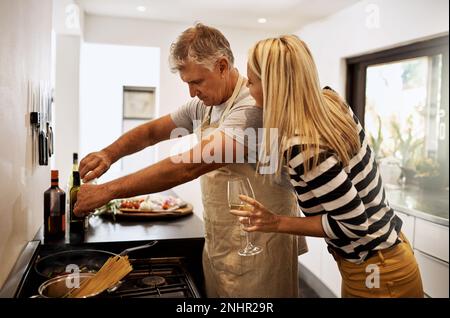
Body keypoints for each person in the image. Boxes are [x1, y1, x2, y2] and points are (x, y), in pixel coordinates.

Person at [74, 24, 307, 297]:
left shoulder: (251, 110)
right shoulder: (204, 106)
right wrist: (109, 154)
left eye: (196, 82)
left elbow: (189, 166)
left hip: (260, 245)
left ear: (222, 66)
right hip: (222, 240)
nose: (191, 93)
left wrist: (107, 191)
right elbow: (152, 133)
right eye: (187, 84)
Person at [231, 35, 424, 298]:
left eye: (251, 81)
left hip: (377, 272)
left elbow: (355, 224)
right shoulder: (330, 101)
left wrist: (274, 222)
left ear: (272, 86)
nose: (248, 87)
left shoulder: (303, 146)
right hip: (388, 254)